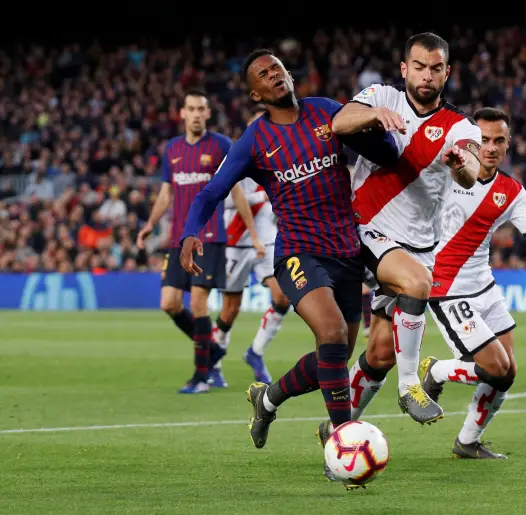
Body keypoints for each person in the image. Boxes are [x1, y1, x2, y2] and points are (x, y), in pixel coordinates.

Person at [178, 49, 398, 483]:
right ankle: (344, 444)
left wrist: (378, 124)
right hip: (298, 252)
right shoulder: (254, 140)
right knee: (332, 334)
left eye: (277, 68)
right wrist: (190, 232)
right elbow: (211, 192)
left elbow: (386, 154)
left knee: (333, 356)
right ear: (256, 93)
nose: (274, 75)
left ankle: (269, 399)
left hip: (347, 252)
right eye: (263, 74)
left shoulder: (326, 112)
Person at [418, 107, 526, 458]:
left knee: (508, 372)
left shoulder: (511, 190)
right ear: (470, 140)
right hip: (447, 289)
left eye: (499, 140)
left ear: (508, 143)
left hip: (485, 286)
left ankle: (467, 442)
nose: (491, 147)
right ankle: (436, 370)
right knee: (494, 368)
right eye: (483, 140)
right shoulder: (445, 175)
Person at [331, 32, 482, 425]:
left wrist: (457, 163)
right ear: (405, 69)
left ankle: (339, 428)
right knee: (416, 283)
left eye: (435, 69)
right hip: (366, 227)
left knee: (380, 352)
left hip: (417, 244)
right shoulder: (382, 96)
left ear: (446, 73)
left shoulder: (461, 127)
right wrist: (372, 115)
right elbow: (339, 121)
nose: (426, 76)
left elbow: (471, 174)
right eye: (419, 67)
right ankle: (409, 385)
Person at [136, 89, 258, 394]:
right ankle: (212, 351)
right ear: (182, 113)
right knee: (169, 303)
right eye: (190, 108)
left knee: (199, 301)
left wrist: (253, 233)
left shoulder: (220, 146)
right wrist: (150, 224)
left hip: (210, 237)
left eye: (201, 108)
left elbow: (238, 192)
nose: (195, 113)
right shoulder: (173, 149)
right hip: (180, 239)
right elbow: (167, 193)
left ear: (207, 113)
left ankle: (201, 376)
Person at [212, 105, 290, 385]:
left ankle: (255, 352)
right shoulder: (236, 156)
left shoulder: (280, 156)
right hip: (238, 242)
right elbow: (231, 197)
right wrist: (264, 200)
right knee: (230, 310)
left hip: (267, 241)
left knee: (283, 297)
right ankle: (214, 362)